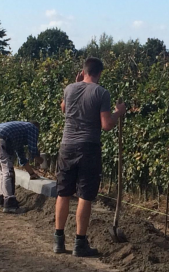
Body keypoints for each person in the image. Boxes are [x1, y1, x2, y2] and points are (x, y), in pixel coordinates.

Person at [54, 57, 126, 257]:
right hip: (88, 147)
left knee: (63, 193)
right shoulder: (101, 92)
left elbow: (64, 109)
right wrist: (118, 113)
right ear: (99, 73)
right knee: (85, 195)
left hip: (66, 146)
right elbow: (106, 125)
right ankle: (79, 243)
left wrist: (76, 82)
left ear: (83, 71)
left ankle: (58, 241)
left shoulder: (69, 89)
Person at [0, 121, 43, 213]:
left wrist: (32, 173)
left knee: (4, 171)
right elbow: (33, 150)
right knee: (8, 172)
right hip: (0, 139)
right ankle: (10, 204)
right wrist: (39, 159)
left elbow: (21, 156)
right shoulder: (33, 128)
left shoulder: (18, 134)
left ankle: (2, 200)